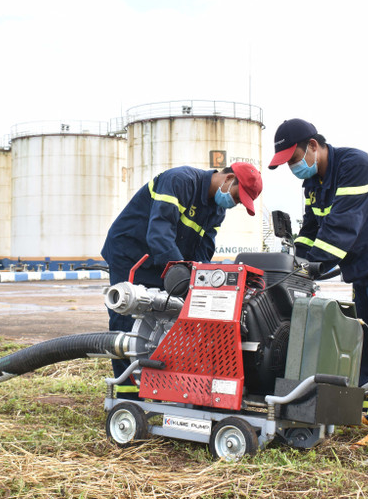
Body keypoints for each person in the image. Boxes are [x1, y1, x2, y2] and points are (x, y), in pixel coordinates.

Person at [268, 118, 368, 446]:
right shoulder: (313, 184)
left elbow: (340, 230)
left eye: (294, 160)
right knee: (365, 336)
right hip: (364, 264)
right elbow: (311, 229)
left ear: (312, 146)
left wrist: (312, 267)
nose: (294, 167)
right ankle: (367, 410)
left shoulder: (355, 167)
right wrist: (294, 261)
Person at [101, 162, 263, 398]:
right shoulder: (180, 181)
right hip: (132, 256)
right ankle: (128, 395)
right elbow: (159, 230)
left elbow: (204, 246)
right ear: (229, 179)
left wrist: (199, 278)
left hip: (161, 261)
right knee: (128, 319)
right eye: (238, 198)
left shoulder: (217, 209)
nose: (235, 204)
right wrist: (178, 269)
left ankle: (157, 386)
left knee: (164, 321)